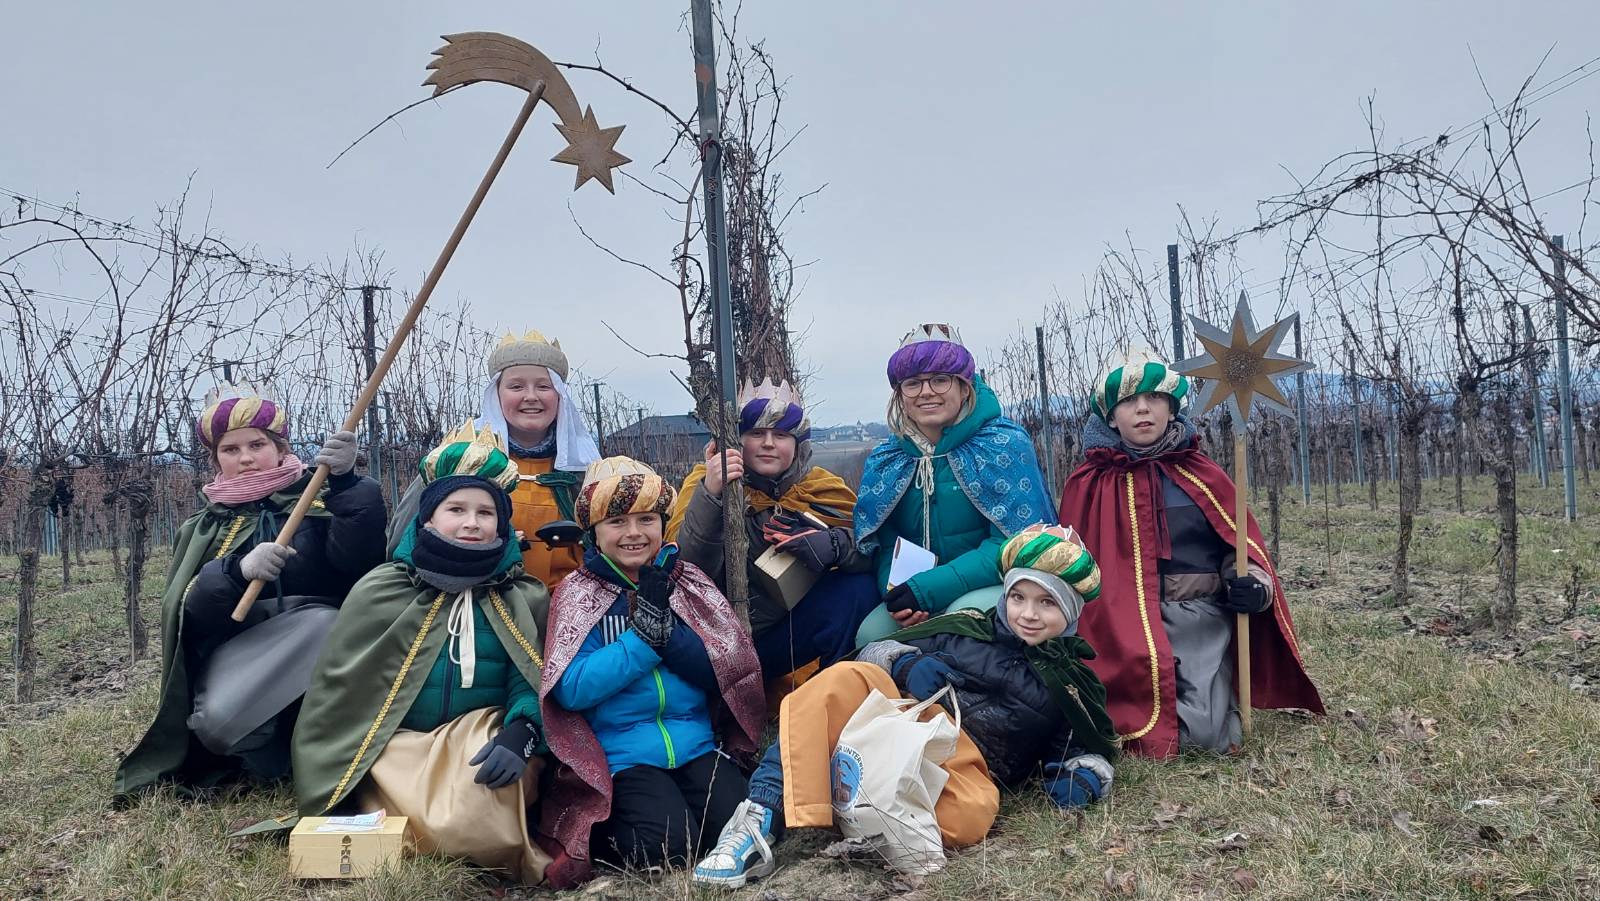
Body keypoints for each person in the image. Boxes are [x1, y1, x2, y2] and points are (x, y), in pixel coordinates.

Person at [691, 524, 1120, 887]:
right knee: (838, 680)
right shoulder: (964, 628)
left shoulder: (1070, 684)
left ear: (1071, 610)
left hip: (962, 764)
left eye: (1047, 603)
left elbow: (1085, 745)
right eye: (1018, 597)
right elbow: (873, 651)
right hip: (903, 719)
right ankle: (758, 819)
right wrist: (905, 663)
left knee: (974, 814)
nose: (1028, 614)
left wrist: (1082, 776)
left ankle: (845, 786)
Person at [293, 421, 552, 884]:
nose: (472, 523)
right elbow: (342, 691)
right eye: (456, 509)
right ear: (428, 518)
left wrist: (523, 732)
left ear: (502, 523)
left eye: (486, 512)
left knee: (474, 813)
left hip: (479, 739)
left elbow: (529, 680)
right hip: (397, 744)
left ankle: (443, 836)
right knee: (395, 801)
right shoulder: (382, 589)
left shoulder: (522, 595)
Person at [113, 383, 386, 802]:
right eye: (230, 450)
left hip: (328, 656)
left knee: (324, 622)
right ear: (216, 460)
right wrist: (235, 572)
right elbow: (191, 616)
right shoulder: (204, 527)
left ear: (280, 448)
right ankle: (266, 754)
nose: (245, 458)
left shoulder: (319, 503)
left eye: (257, 445)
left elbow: (361, 567)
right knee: (219, 726)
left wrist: (349, 484)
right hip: (242, 661)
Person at [1056, 349, 1324, 757]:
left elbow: (1238, 546)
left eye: (1154, 398)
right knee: (1118, 728)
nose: (1143, 409)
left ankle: (1215, 701)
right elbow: (1071, 564)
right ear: (1110, 417)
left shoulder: (1202, 474)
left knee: (1204, 740)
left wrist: (1254, 584)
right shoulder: (1088, 482)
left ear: (1171, 408)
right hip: (1116, 626)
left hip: (1197, 618)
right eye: (1128, 400)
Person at [538, 457, 765, 888]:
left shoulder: (689, 582)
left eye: (646, 519)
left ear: (663, 523)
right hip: (625, 757)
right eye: (617, 521)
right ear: (594, 532)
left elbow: (730, 668)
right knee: (668, 847)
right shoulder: (578, 595)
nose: (634, 533)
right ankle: (603, 833)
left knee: (737, 828)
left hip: (696, 745)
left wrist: (672, 639)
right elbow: (570, 688)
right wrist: (641, 642)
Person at [853, 323, 1057, 646]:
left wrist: (929, 588)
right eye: (913, 383)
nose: (926, 392)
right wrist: (897, 593)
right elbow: (886, 538)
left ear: (965, 387)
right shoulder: (888, 459)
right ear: (900, 395)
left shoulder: (1002, 445)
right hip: (919, 592)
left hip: (999, 586)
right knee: (870, 636)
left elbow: (1012, 544)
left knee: (959, 621)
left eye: (940, 379)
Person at [667, 377, 879, 681]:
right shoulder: (705, 483)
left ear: (797, 444)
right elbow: (687, 571)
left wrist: (833, 545)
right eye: (756, 433)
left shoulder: (820, 487)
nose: (768, 443)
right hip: (718, 641)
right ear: (737, 441)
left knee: (858, 590)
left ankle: (831, 688)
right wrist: (712, 496)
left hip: (787, 634)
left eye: (780, 434)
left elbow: (870, 551)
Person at [387, 329, 601, 591]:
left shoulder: (586, 468)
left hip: (573, 606)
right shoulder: (459, 459)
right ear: (496, 394)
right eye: (516, 386)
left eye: (544, 386)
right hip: (480, 602)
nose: (531, 396)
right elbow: (403, 544)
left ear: (559, 395)